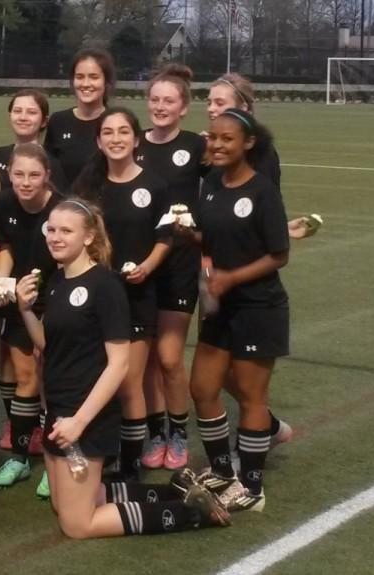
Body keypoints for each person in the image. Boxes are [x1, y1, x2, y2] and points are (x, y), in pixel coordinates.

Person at [12, 198, 228, 539]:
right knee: (62, 503)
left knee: (78, 525)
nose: (55, 237)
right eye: (51, 229)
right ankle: (176, 490)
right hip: (59, 407)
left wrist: (80, 422)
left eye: (66, 231)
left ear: (88, 237)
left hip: (87, 413)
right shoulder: (56, 281)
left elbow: (119, 364)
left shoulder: (105, 285)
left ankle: (191, 512)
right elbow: (48, 346)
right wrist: (25, 310)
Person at [187, 109, 290, 512]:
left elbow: (279, 254)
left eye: (226, 138)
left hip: (258, 307)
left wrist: (232, 278)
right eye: (213, 138)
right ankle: (221, 472)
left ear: (248, 143)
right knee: (202, 388)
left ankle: (251, 487)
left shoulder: (263, 191)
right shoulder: (211, 184)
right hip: (219, 306)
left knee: (251, 397)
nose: (217, 145)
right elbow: (211, 238)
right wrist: (190, 238)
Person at [72, 108, 171, 481]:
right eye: (108, 132)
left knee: (129, 381)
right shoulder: (87, 189)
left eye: (123, 131)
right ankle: (103, 453)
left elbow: (166, 238)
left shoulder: (155, 185)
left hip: (137, 296)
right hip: (94, 295)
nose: (116, 138)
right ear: (99, 141)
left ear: (136, 138)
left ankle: (130, 466)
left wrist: (147, 265)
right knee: (95, 377)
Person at [136, 64, 207, 471]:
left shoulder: (197, 146)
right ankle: (155, 434)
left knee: (167, 357)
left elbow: (221, 191)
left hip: (179, 264)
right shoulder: (134, 144)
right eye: (155, 99)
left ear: (184, 107)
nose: (160, 107)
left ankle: (178, 434)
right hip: (140, 264)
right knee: (144, 360)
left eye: (169, 101)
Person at [0, 143, 63, 494]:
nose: (25, 182)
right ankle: (19, 458)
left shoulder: (62, 208)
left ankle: (54, 462)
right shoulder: (3, 202)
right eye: (18, 174)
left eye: (34, 175)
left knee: (51, 379)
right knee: (26, 376)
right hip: (19, 300)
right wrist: (3, 283)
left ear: (47, 175)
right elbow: (6, 248)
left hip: (57, 298)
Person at [207, 73, 315, 243]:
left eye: (219, 103)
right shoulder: (207, 146)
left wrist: (279, 228)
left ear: (244, 107)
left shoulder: (262, 154)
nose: (211, 108)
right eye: (209, 102)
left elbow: (263, 209)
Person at [44, 48, 115, 185]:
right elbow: (50, 172)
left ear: (106, 82)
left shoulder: (116, 123)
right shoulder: (58, 121)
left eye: (94, 77)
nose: (86, 84)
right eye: (80, 77)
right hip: (64, 205)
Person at [0, 89, 67, 193]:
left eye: (31, 112)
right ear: (10, 117)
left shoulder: (52, 163)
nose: (23, 117)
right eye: (17, 111)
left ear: (44, 121)